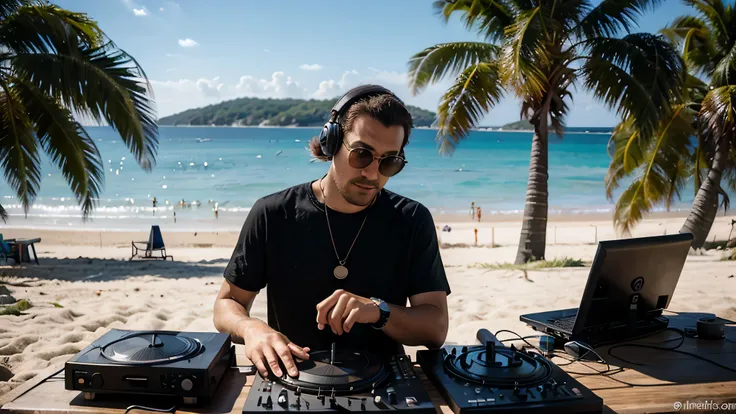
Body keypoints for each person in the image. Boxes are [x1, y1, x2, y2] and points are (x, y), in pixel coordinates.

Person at [213, 85, 450, 379]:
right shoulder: (273, 213)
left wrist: (379, 310)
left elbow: (436, 328)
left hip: (384, 387)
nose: (373, 174)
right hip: (293, 380)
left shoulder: (412, 219)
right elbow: (227, 304)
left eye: (389, 161)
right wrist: (251, 329)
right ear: (332, 142)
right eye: (362, 154)